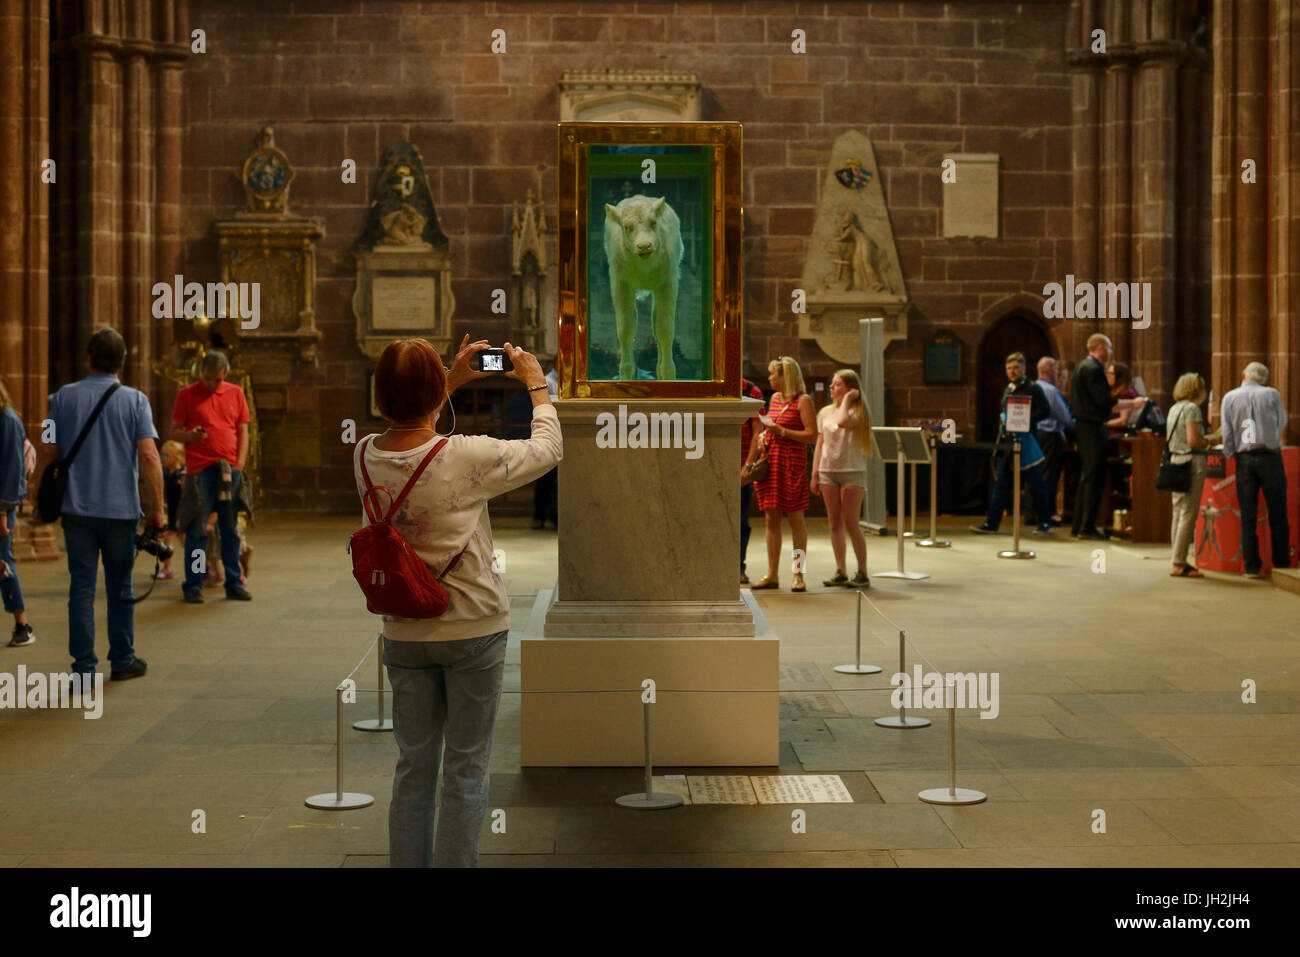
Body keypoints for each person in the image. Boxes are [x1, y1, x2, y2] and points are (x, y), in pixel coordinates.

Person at [357, 334, 561, 868]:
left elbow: (411, 426)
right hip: (473, 627)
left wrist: (443, 384)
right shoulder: (466, 454)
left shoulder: (365, 455)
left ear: (380, 394)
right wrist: (536, 384)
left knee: (413, 767)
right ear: (431, 394)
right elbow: (547, 450)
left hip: (403, 630)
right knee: (466, 769)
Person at [41, 327, 162, 681]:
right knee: (120, 586)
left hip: (77, 509)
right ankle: (122, 659)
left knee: (80, 587)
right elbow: (150, 455)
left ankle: (83, 668)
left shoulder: (61, 397)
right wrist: (158, 507)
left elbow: (49, 445)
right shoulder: (136, 400)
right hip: (120, 511)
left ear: (89, 359)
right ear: (123, 362)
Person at [171, 351, 251, 603]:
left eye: (217, 379)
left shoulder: (235, 392)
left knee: (230, 529)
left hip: (229, 470)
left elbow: (243, 430)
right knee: (197, 530)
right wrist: (190, 437)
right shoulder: (186, 394)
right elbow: (173, 431)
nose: (212, 384)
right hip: (200, 471)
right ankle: (193, 584)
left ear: (225, 374)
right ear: (201, 373)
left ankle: (234, 582)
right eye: (208, 379)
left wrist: (240, 463)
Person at [743, 356, 817, 592]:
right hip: (772, 463)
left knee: (796, 521)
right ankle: (772, 574)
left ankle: (798, 574)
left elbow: (812, 435)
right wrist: (765, 437)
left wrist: (782, 431)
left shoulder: (803, 401)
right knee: (770, 519)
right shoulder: (773, 399)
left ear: (786, 376)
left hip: (792, 464)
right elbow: (767, 427)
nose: (769, 378)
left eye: (774, 374)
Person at [1069, 334, 1147, 539]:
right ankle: (1086, 528)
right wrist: (1133, 403)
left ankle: (1079, 526)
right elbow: (1105, 402)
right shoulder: (1093, 369)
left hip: (1083, 426)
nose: (1111, 352)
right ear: (1100, 347)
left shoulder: (1080, 367)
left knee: (1086, 477)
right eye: (1109, 348)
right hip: (1093, 427)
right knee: (1094, 477)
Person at [971, 352, 1054, 536]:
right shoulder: (1007, 389)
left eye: (1016, 367)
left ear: (1024, 368)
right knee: (1001, 484)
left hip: (1027, 441)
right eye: (1009, 368)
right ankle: (992, 524)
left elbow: (1045, 412)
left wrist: (1025, 421)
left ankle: (1045, 522)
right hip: (1007, 444)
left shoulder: (1034, 388)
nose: (1012, 372)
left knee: (1036, 484)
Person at [1221, 362, 1291, 578]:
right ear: (1264, 379)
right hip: (1270, 457)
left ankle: (1251, 567)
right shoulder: (1272, 394)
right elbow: (1281, 422)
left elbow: (1227, 431)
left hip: (1244, 459)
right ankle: (1281, 565)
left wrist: (1232, 453)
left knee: (1248, 516)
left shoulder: (1229, 397)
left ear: (1243, 375)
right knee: (1278, 514)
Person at [811, 369, 871, 587]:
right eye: (832, 384)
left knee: (851, 522)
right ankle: (840, 570)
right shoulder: (824, 412)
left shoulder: (857, 412)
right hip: (828, 470)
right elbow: (820, 442)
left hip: (851, 470)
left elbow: (844, 421)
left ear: (849, 389)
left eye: (836, 385)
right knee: (834, 522)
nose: (831, 388)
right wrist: (815, 472)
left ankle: (862, 572)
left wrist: (847, 400)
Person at [1167, 373, 1217, 578]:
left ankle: (1175, 558)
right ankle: (1179, 563)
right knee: (1188, 514)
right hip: (1190, 461)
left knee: (1178, 512)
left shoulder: (1174, 407)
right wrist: (1210, 440)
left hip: (1175, 461)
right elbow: (1193, 440)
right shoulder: (1192, 408)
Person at [0, 379, 34, 647]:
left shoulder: (8, 420)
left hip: (2, 504)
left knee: (2, 561)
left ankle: (23, 624)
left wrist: (3, 511)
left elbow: (12, 469)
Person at [1034, 356, 1074, 525]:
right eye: (1056, 369)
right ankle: (1048, 513)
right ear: (1048, 370)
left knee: (1037, 474)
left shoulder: (1033, 387)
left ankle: (1033, 512)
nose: (1057, 373)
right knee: (1049, 476)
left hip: (1035, 434)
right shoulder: (1050, 391)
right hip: (1050, 435)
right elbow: (1065, 417)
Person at [738, 375, 765, 584]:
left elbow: (758, 430)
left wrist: (748, 465)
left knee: (741, 522)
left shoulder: (750, 391)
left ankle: (739, 566)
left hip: (741, 467)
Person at [530, 365, 560, 530]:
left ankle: (554, 516)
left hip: (560, 433)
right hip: (548, 431)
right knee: (545, 477)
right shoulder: (547, 381)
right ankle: (538, 516)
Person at [156, 439, 185, 580]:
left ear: (176, 457)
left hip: (183, 514)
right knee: (168, 541)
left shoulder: (182, 475)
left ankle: (201, 568)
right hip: (173, 513)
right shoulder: (167, 474)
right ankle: (167, 569)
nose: (162, 458)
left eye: (166, 455)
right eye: (161, 455)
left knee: (189, 543)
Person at [1105, 361, 1141, 435]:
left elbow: (1123, 421)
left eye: (1111, 373)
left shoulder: (1126, 393)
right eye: (1107, 373)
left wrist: (1103, 423)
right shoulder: (1113, 391)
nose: (1107, 376)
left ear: (1120, 377)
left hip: (1117, 435)